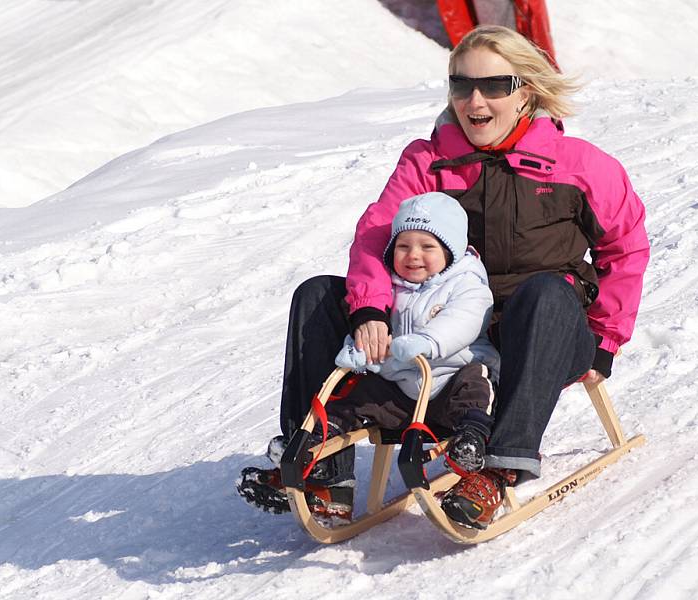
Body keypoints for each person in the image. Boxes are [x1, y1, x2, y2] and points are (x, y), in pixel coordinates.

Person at [241, 24, 650, 530]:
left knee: (545, 291)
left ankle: (497, 469)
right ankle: (320, 464)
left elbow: (625, 247)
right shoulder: (429, 161)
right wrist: (370, 309)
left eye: (493, 86)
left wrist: (606, 341)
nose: (473, 100)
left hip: (539, 333)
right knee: (319, 295)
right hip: (437, 326)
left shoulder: (581, 166)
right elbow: (375, 235)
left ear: (526, 91)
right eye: (460, 85)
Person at [238, 192, 501, 522]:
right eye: (403, 246)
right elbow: (375, 332)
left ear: (451, 251)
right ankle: (314, 447)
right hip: (402, 390)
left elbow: (465, 320)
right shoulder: (391, 283)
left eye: (427, 247)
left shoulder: (465, 282)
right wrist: (357, 349)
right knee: (355, 395)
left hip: (449, 379)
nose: (413, 256)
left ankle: (471, 441)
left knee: (474, 387)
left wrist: (428, 342)